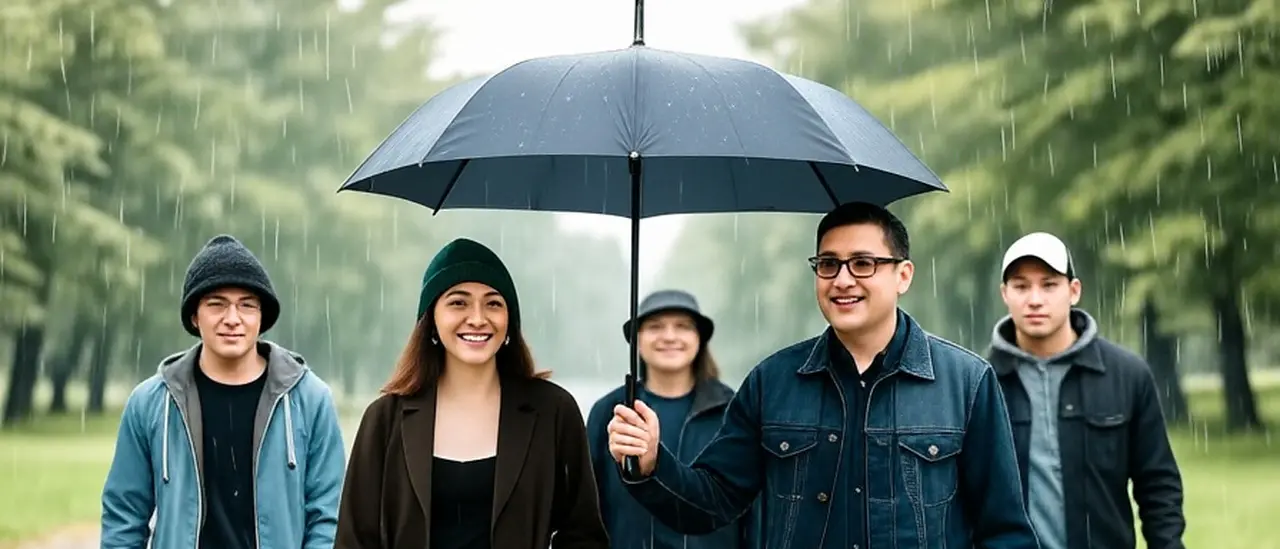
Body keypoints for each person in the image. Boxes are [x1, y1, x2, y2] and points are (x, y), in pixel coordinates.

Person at [606, 201, 1039, 549]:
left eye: (863, 263)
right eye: (828, 264)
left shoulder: (966, 383)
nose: (843, 279)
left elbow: (1004, 530)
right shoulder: (772, 382)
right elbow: (711, 502)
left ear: (902, 275)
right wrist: (651, 464)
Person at [335, 237, 609, 549]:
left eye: (493, 303)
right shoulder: (385, 418)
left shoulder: (553, 411)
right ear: (431, 319)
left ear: (510, 320)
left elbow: (584, 534)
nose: (478, 318)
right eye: (458, 302)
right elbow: (354, 541)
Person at [100, 234, 347, 549]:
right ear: (194, 315)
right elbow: (124, 516)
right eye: (216, 304)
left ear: (262, 318)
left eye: (247, 305)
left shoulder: (310, 399)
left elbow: (329, 515)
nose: (232, 319)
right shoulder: (151, 402)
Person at [987, 232, 1185, 549]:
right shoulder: (980, 383)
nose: (1034, 299)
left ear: (1073, 290)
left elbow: (1158, 485)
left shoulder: (1127, 375)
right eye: (1021, 286)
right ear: (1005, 293)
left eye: (1049, 284)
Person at [586, 289, 756, 549]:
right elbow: (585, 507)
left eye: (682, 326)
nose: (669, 336)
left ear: (699, 338)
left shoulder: (733, 411)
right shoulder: (611, 413)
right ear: (637, 340)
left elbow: (752, 509)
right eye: (655, 327)